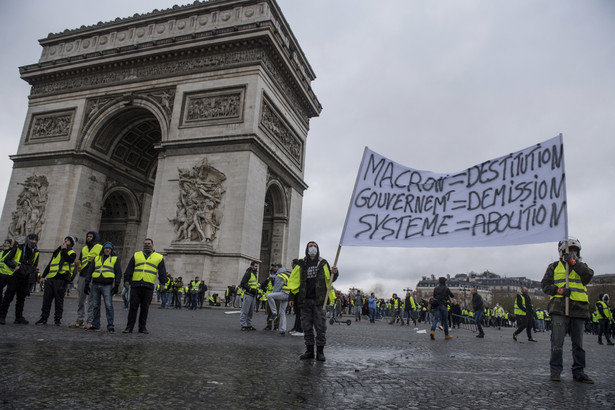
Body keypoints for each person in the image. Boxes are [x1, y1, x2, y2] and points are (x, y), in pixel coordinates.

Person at [541, 237, 594, 383]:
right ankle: (556, 370)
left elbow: (588, 276)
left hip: (578, 309)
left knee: (578, 345)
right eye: (571, 250)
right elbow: (545, 285)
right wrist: (559, 290)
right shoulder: (553, 267)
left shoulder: (581, 266)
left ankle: (579, 371)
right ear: (562, 251)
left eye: (576, 250)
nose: (574, 253)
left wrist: (574, 264)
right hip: (559, 308)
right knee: (557, 342)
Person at [288, 241, 339, 361]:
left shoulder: (323, 263)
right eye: (311, 246)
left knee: (321, 327)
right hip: (304, 300)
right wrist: (291, 297)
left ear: (318, 248)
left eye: (315, 246)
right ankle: (309, 351)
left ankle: (320, 352)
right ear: (307, 248)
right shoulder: (300, 263)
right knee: (306, 327)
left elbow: (330, 279)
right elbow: (294, 282)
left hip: (320, 301)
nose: (313, 248)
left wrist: (335, 273)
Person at [122, 238, 167, 334]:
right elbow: (130, 268)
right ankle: (129, 327)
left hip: (148, 285)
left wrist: (163, 283)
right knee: (133, 307)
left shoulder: (159, 257)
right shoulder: (136, 255)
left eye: (149, 243)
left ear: (152, 245)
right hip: (136, 284)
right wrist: (126, 280)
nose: (147, 245)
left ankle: (142, 327)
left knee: (145, 308)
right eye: (145, 243)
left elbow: (162, 272)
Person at [36, 236, 78, 326]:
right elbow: (50, 264)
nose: (65, 241)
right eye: (65, 240)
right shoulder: (57, 252)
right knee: (46, 300)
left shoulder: (72, 253)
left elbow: (69, 260)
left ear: (71, 243)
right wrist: (43, 276)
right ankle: (43, 318)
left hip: (61, 279)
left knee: (58, 301)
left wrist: (63, 250)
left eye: (68, 240)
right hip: (51, 278)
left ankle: (57, 319)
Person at [0, 234, 39, 325]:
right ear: (27, 239)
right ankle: (2, 316)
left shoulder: (36, 252)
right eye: (32, 239)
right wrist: (15, 267)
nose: (33, 241)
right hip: (15, 276)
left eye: (35, 240)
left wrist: (30, 270)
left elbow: (35, 264)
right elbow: (6, 260)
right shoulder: (18, 248)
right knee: (8, 297)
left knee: (21, 299)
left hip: (25, 277)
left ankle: (19, 317)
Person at [83, 241, 122, 332]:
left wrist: (116, 285)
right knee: (95, 305)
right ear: (103, 249)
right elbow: (90, 271)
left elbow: (118, 273)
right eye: (106, 248)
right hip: (95, 284)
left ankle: (110, 325)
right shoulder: (96, 258)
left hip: (107, 285)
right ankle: (96, 324)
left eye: (109, 248)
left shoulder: (115, 259)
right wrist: (87, 283)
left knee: (108, 305)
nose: (107, 250)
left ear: (111, 250)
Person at [69, 231, 102, 329]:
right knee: (81, 299)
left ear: (95, 237)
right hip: (83, 275)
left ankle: (90, 321)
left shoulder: (100, 247)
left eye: (91, 237)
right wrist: (78, 265)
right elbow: (80, 259)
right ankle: (79, 320)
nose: (88, 238)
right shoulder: (84, 248)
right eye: (87, 236)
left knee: (92, 300)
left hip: (93, 276)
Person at [266, 263, 291, 335]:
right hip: (288, 294)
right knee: (282, 312)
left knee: (269, 296)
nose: (274, 268)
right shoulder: (286, 274)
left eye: (275, 267)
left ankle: (274, 312)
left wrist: (275, 296)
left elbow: (277, 288)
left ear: (279, 268)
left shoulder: (279, 275)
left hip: (284, 293)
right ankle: (282, 329)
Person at [239, 261, 259, 331]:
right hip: (248, 294)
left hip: (253, 295)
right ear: (252, 266)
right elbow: (242, 284)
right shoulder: (248, 273)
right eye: (255, 266)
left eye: (257, 266)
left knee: (251, 311)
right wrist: (250, 289)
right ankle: (243, 325)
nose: (257, 268)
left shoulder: (254, 274)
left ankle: (249, 324)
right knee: (245, 310)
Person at [0, 239, 16, 307]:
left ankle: (4, 305)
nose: (5, 244)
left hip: (10, 275)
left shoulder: (12, 253)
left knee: (8, 293)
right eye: (5, 242)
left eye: (7, 243)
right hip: (1, 274)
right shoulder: (1, 252)